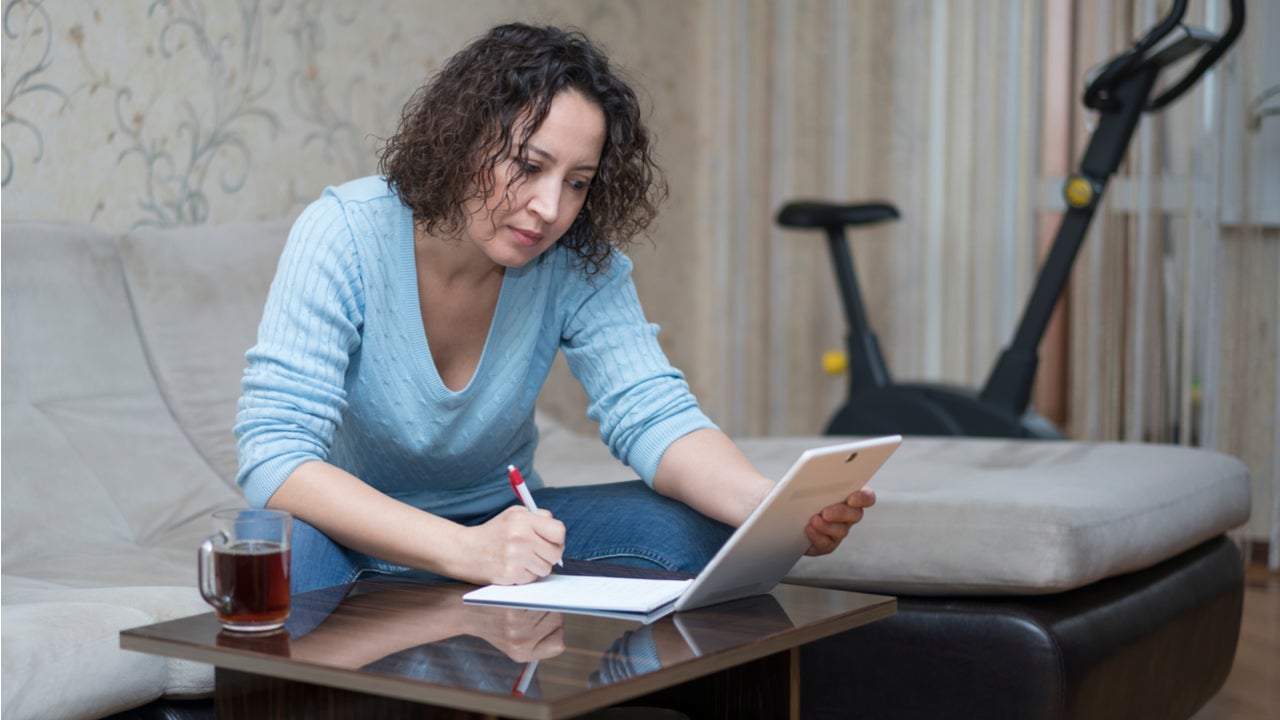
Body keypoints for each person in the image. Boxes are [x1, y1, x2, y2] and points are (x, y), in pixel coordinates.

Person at [234, 22, 875, 595]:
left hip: (501, 525)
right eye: (528, 164)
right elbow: (274, 457)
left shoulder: (576, 259)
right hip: (357, 533)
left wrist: (768, 506)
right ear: (460, 141)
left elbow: (651, 411)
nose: (549, 208)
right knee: (276, 552)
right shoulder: (343, 232)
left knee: (699, 533)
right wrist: (464, 551)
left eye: (576, 182)